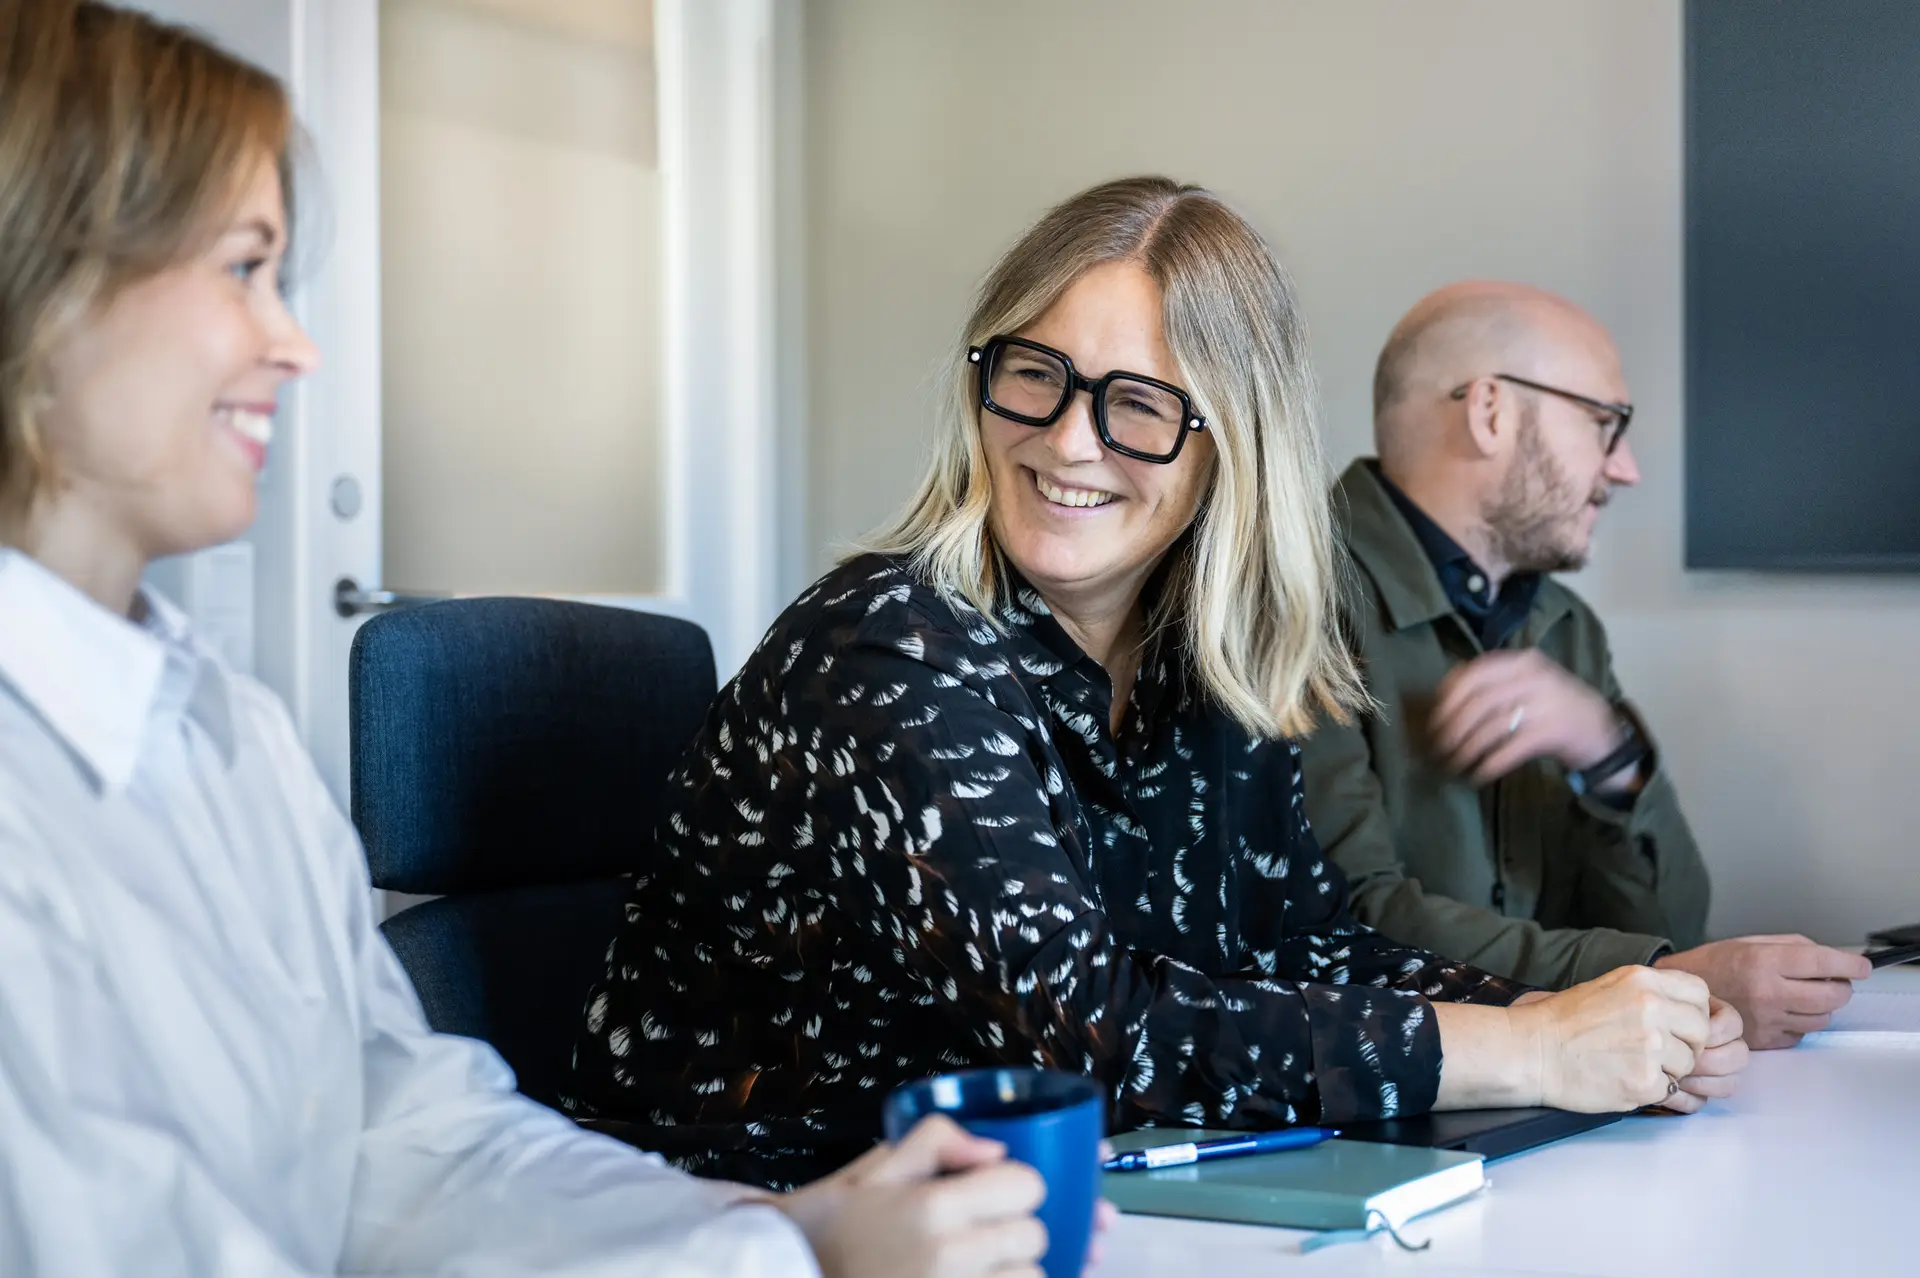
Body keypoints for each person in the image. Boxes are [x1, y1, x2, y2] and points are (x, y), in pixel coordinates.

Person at [0, 5, 1053, 1275]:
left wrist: (779, 1228)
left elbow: (414, 1145)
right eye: (242, 269)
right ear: (42, 282)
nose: (296, 344)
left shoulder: (229, 736)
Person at [568, 178, 1749, 1189]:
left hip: (1049, 1209)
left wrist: (1597, 1016)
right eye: (1035, 374)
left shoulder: (1205, 674)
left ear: (1230, 443)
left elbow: (1311, 943)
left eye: (1137, 404)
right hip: (760, 1223)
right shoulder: (888, 649)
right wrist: (1532, 1052)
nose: (1067, 440)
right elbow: (1092, 1034)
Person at [1298, 280, 1872, 1050]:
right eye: (1605, 423)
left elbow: (1673, 923)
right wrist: (1669, 976)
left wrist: (1612, 758)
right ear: (1491, 411)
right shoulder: (1291, 600)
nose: (1625, 468)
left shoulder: (1565, 628)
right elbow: (1344, 930)